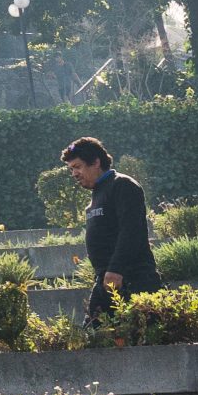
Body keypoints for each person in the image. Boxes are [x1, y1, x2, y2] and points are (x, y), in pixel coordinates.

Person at [64, 136, 159, 321]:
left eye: (77, 167)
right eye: (71, 169)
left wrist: (116, 269)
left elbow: (131, 232)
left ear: (96, 162)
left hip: (132, 278)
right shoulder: (97, 194)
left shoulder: (123, 185)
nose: (74, 174)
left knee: (143, 332)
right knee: (96, 332)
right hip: (107, 279)